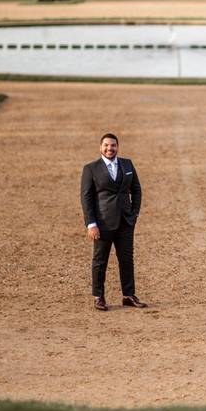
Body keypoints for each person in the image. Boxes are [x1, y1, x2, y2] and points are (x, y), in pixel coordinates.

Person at [81, 133, 145, 311]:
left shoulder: (127, 164)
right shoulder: (91, 169)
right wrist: (91, 224)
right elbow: (86, 198)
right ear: (101, 148)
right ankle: (98, 296)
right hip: (103, 223)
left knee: (126, 259)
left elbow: (137, 190)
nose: (110, 149)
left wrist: (134, 215)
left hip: (125, 221)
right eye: (107, 146)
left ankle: (128, 295)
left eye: (113, 146)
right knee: (100, 260)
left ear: (118, 147)